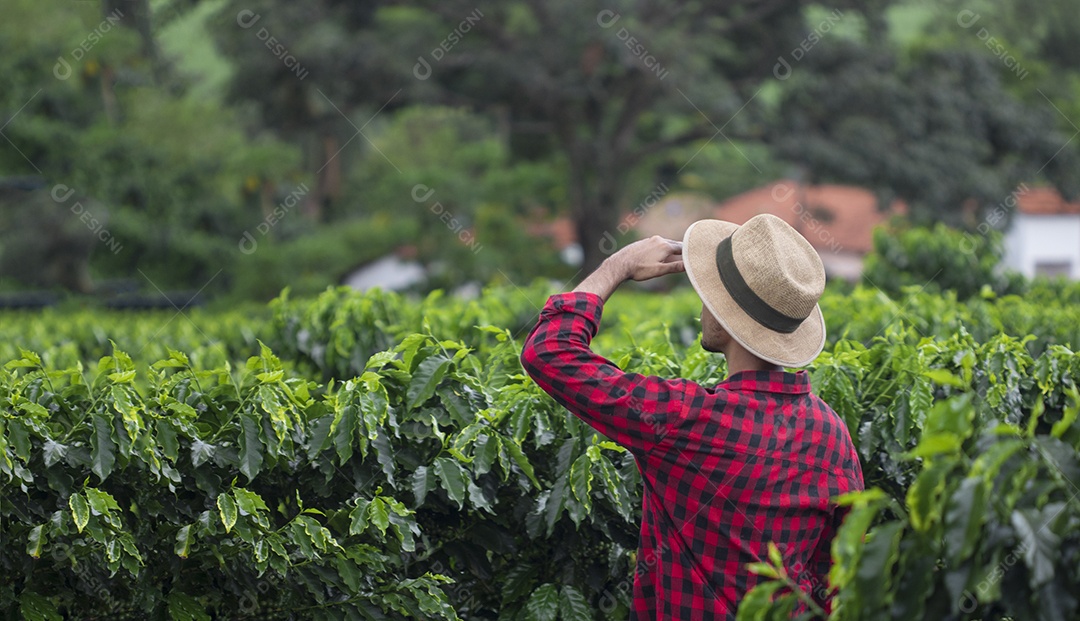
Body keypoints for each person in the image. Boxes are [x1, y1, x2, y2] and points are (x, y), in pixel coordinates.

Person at [520, 214, 865, 620]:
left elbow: (549, 351)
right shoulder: (831, 431)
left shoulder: (683, 420)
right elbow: (840, 575)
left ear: (723, 315)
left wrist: (619, 265)